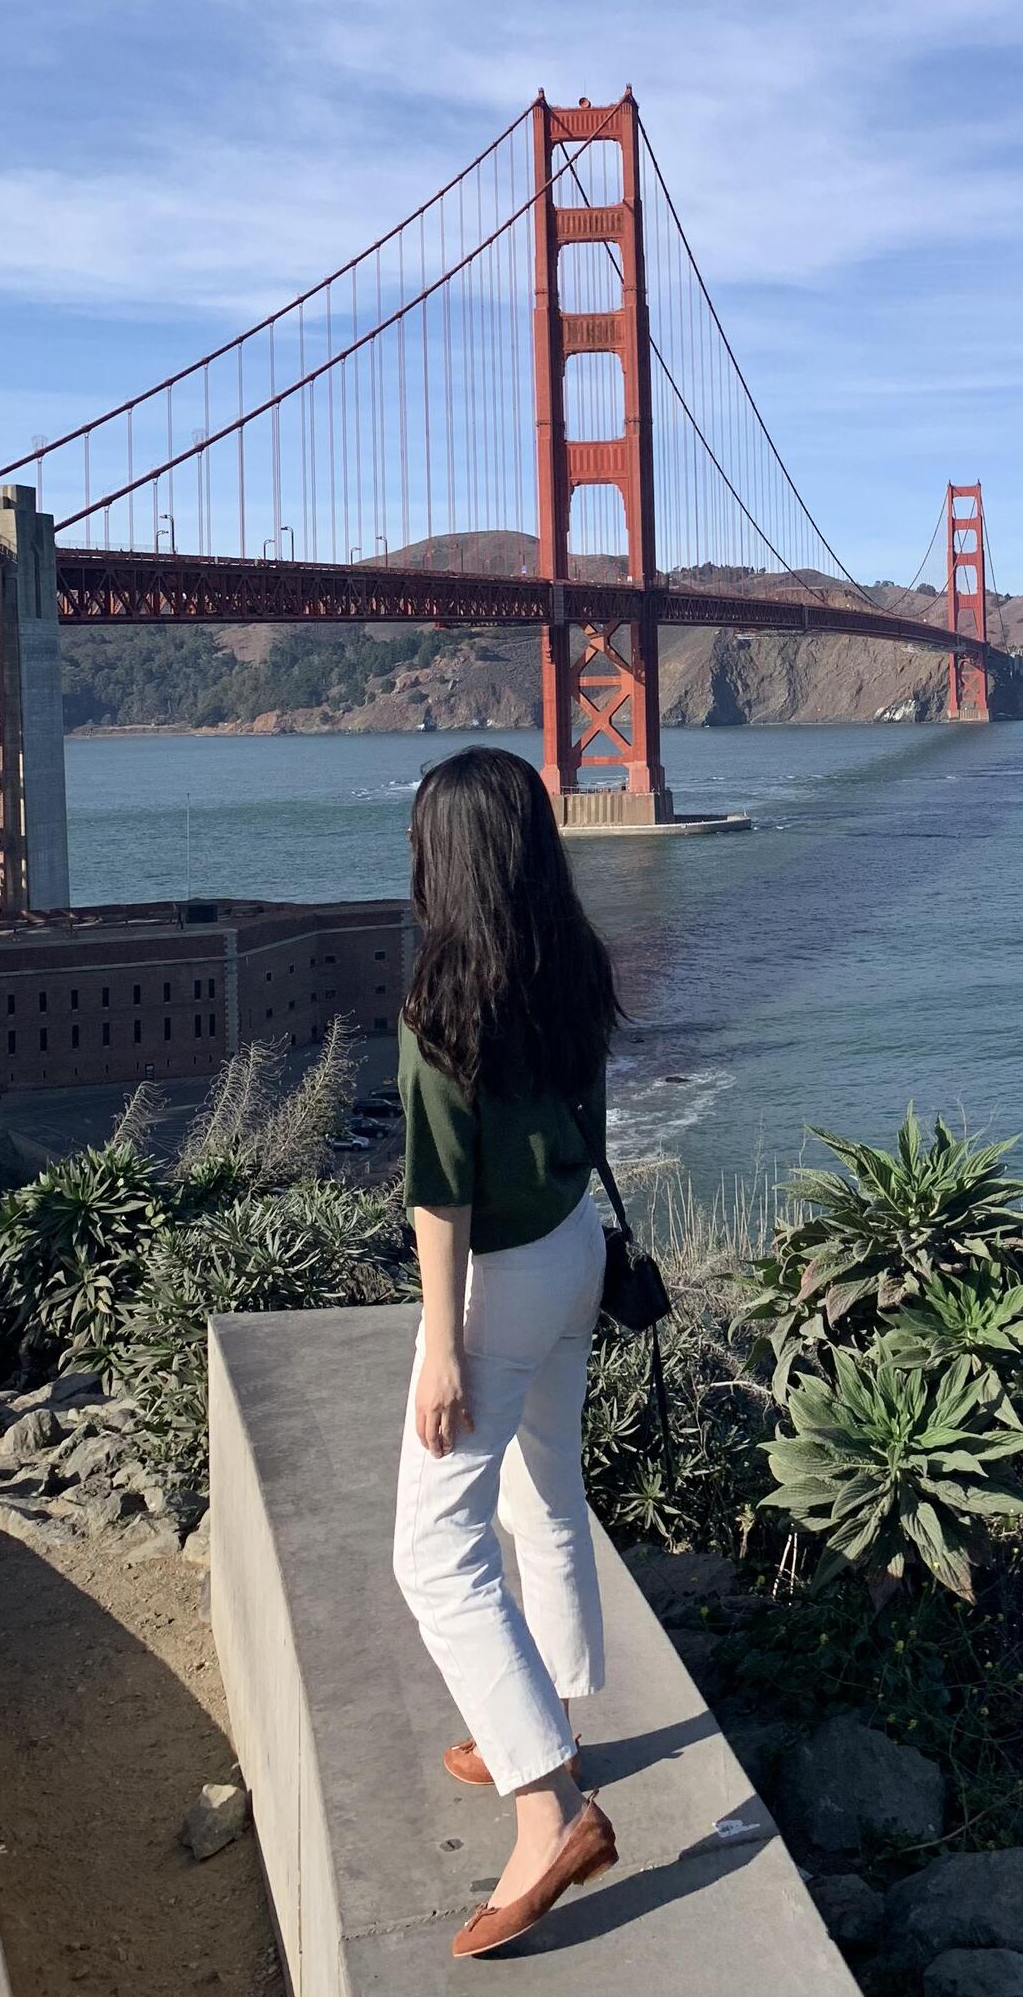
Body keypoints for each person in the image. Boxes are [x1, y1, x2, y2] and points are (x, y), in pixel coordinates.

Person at [390, 746, 621, 1958]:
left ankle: (549, 1808)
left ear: (446, 856)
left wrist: (442, 1347)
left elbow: (440, 1193)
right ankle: (554, 1720)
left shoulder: (440, 997)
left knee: (433, 1550)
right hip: (576, 1246)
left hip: (500, 1281)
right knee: (544, 1492)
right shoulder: (572, 961)